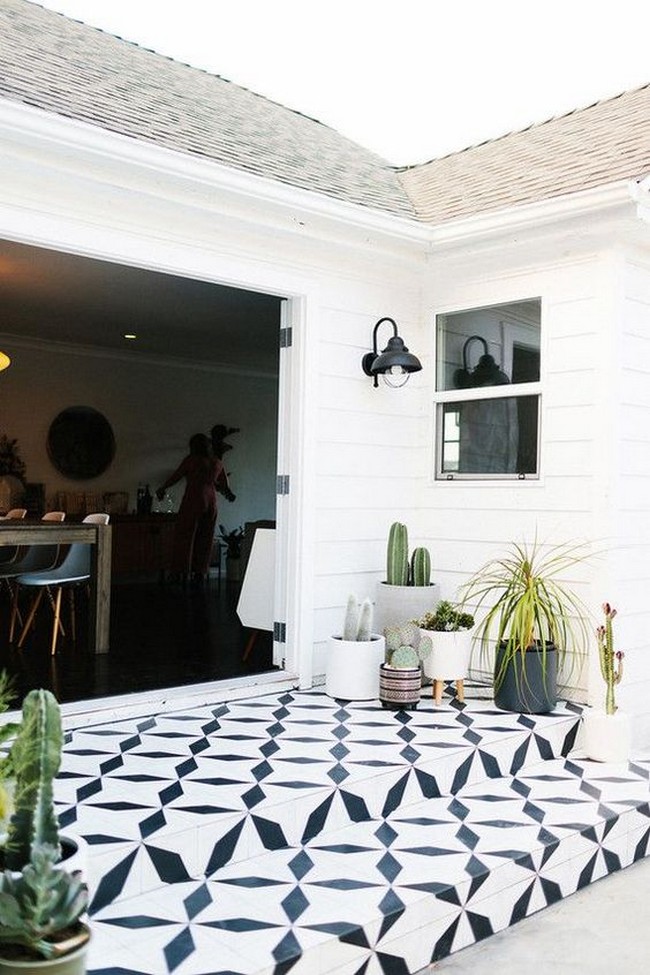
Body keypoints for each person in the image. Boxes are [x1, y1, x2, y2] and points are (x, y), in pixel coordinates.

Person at [156, 433, 234, 584]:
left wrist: (163, 488)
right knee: (206, 538)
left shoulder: (192, 460)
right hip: (211, 502)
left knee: (185, 536)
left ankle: (180, 571)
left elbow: (176, 476)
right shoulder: (217, 462)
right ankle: (200, 572)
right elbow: (224, 485)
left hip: (194, 499)